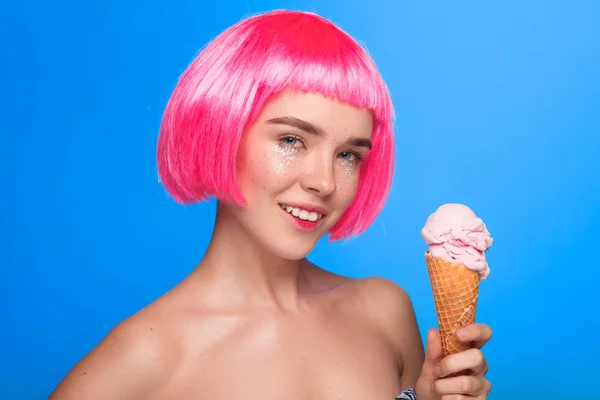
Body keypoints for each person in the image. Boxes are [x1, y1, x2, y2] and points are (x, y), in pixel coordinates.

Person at [49, 9, 492, 400]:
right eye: (291, 140)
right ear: (219, 131)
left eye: (348, 155)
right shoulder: (147, 358)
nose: (324, 182)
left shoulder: (384, 310)